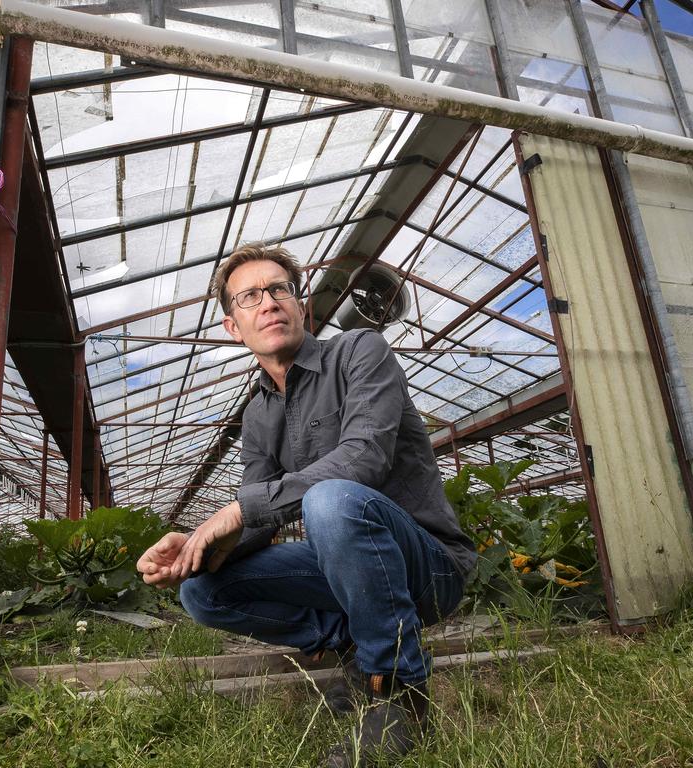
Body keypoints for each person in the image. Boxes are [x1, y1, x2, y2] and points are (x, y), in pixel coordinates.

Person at [136, 244, 476, 767]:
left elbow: (364, 458)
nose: (269, 302)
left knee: (332, 499)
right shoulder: (257, 417)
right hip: (343, 571)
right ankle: (356, 652)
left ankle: (400, 698)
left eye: (279, 290)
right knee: (203, 592)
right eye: (250, 297)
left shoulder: (360, 351)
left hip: (427, 568)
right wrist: (196, 548)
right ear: (234, 327)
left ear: (300, 307)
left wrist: (239, 509)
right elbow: (253, 527)